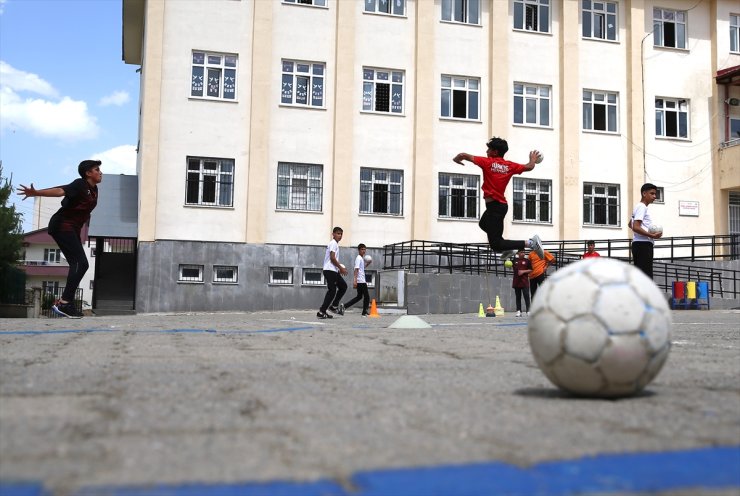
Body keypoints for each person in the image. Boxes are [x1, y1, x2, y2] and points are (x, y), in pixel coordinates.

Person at [17, 160, 103, 318]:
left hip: (73, 228)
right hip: (62, 225)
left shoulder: (94, 190)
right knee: (81, 263)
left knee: (79, 265)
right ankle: (65, 303)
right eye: (97, 169)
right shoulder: (80, 184)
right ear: (88, 173)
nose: (100, 172)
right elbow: (60, 191)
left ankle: (64, 303)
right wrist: (36, 193)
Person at [453, 137, 544, 261]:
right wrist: (532, 159)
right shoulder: (509, 165)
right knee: (483, 224)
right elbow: (529, 167)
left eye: (488, 149)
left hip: (495, 207)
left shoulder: (488, 162)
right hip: (498, 207)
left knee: (496, 244)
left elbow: (463, 155)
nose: (486, 152)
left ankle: (530, 243)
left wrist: (456, 159)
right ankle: (508, 248)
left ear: (495, 152)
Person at [630, 183, 662, 279]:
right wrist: (651, 235)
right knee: (646, 277)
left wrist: (642, 231)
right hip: (643, 245)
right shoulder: (642, 207)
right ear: (644, 193)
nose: (654, 196)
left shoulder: (638, 206)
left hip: (639, 244)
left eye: (655, 194)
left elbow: (630, 224)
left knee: (641, 276)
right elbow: (635, 227)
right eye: (652, 193)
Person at [317, 226, 348, 319]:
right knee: (332, 291)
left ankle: (333, 306)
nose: (340, 235)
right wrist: (341, 268)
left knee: (343, 286)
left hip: (333, 270)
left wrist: (338, 269)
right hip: (329, 270)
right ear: (333, 234)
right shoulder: (333, 243)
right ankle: (322, 311)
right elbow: (332, 258)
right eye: (338, 233)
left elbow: (333, 259)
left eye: (341, 234)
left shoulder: (335, 244)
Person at [341, 243, 372, 316]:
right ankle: (364, 312)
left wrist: (368, 264)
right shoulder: (358, 258)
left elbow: (362, 268)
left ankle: (345, 306)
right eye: (362, 249)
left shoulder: (361, 258)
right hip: (360, 281)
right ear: (359, 250)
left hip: (361, 280)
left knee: (359, 297)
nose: (363, 251)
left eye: (364, 249)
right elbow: (356, 269)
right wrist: (355, 280)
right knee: (366, 296)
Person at [512, 249, 532, 317]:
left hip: (525, 282)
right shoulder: (514, 260)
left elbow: (530, 270)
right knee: (518, 297)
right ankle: (518, 311)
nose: (523, 253)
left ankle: (528, 311)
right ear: (518, 253)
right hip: (516, 281)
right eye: (521, 252)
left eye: (524, 252)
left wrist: (523, 272)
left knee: (526, 296)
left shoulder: (527, 261)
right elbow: (510, 266)